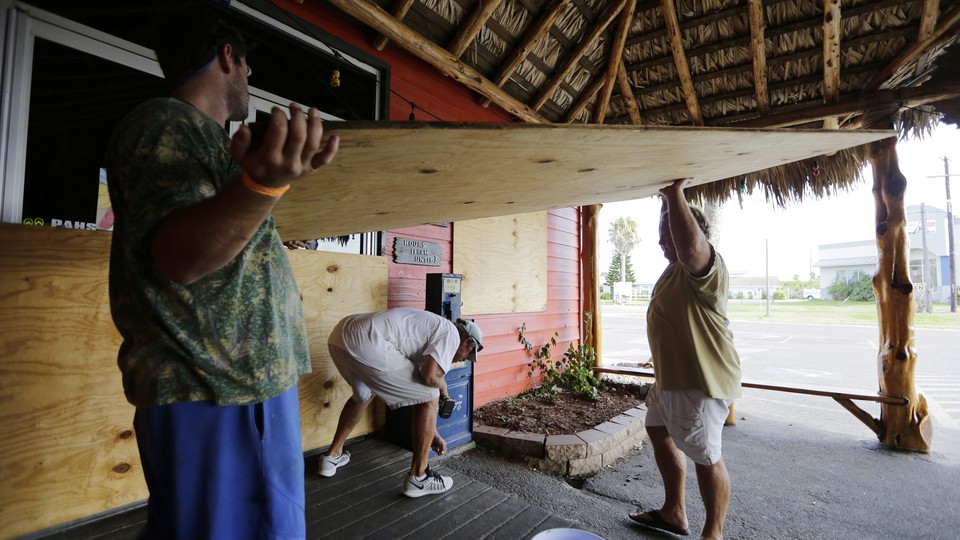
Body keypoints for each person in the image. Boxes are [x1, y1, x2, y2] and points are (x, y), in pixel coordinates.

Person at [106, 10, 339, 540]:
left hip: (233, 388)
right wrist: (262, 189)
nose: (250, 77)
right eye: (248, 63)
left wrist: (258, 203)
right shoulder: (168, 121)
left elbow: (209, 236)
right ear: (228, 58)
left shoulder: (205, 140)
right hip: (218, 389)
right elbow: (181, 257)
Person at [629, 179, 742, 540]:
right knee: (658, 430)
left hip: (700, 381)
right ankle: (675, 511)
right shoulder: (674, 269)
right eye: (661, 234)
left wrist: (673, 193)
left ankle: (714, 533)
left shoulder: (705, 265)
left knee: (707, 455)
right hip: (671, 380)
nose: (663, 240)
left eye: (669, 233)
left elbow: (692, 247)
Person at [320, 308, 483, 498]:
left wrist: (434, 435)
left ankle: (331, 456)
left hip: (341, 335)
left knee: (363, 395)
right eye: (467, 355)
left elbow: (415, 394)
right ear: (467, 343)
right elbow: (429, 378)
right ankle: (419, 477)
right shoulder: (451, 334)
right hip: (371, 341)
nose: (462, 359)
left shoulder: (431, 333)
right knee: (432, 394)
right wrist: (443, 387)